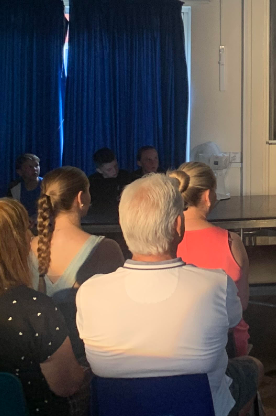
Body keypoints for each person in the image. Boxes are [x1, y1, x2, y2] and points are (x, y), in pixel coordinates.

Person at [76, 175, 263, 416]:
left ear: (123, 225)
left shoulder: (90, 292)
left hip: (120, 409)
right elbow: (233, 321)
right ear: (178, 226)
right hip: (201, 407)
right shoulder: (216, 285)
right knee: (252, 367)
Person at [0, 198, 85, 416]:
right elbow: (67, 384)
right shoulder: (36, 309)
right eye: (27, 229)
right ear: (19, 244)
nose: (31, 236)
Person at [30, 167, 124, 358]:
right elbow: (121, 312)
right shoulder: (106, 249)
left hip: (36, 361)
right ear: (80, 198)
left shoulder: (27, 248)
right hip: (90, 359)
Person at [170, 162, 251, 358]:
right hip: (227, 345)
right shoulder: (232, 242)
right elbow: (242, 303)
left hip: (177, 344)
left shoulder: (165, 243)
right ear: (207, 196)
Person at [87, 148, 133, 216]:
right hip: (101, 218)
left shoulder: (126, 177)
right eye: (109, 169)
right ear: (99, 170)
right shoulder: (92, 183)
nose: (114, 171)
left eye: (115, 166)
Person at [11, 153, 42, 224]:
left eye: (36, 166)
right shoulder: (14, 188)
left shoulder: (47, 185)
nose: (35, 169)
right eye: (30, 167)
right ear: (20, 171)